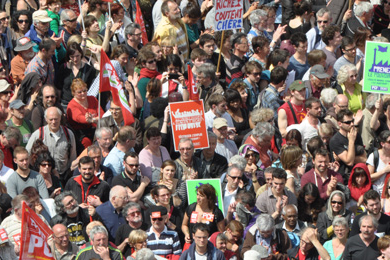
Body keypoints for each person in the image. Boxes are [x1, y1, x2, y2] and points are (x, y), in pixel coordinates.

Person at [26, 107, 77, 183]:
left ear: (60, 118)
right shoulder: (38, 134)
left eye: (56, 119)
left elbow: (73, 157)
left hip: (63, 176)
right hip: (43, 177)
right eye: (51, 119)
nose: (53, 122)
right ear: (46, 119)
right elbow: (27, 153)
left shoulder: (69, 134)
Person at [330, 109, 366, 183]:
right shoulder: (335, 140)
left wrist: (343, 159)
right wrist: (351, 141)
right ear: (340, 124)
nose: (352, 124)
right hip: (343, 179)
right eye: (348, 122)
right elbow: (349, 162)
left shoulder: (356, 135)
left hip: (357, 177)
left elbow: (365, 159)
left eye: (352, 121)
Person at [56, 43, 97, 108]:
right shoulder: (63, 68)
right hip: (66, 104)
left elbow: (92, 89)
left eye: (77, 56)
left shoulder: (89, 69)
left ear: (81, 54)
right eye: (72, 56)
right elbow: (58, 88)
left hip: (82, 104)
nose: (75, 59)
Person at [66, 78, 103, 149]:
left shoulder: (93, 99)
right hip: (81, 134)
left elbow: (102, 114)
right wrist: (90, 120)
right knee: (87, 142)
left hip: (96, 129)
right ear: (73, 93)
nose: (83, 93)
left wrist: (93, 119)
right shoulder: (72, 105)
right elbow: (79, 118)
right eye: (79, 92)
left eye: (85, 90)